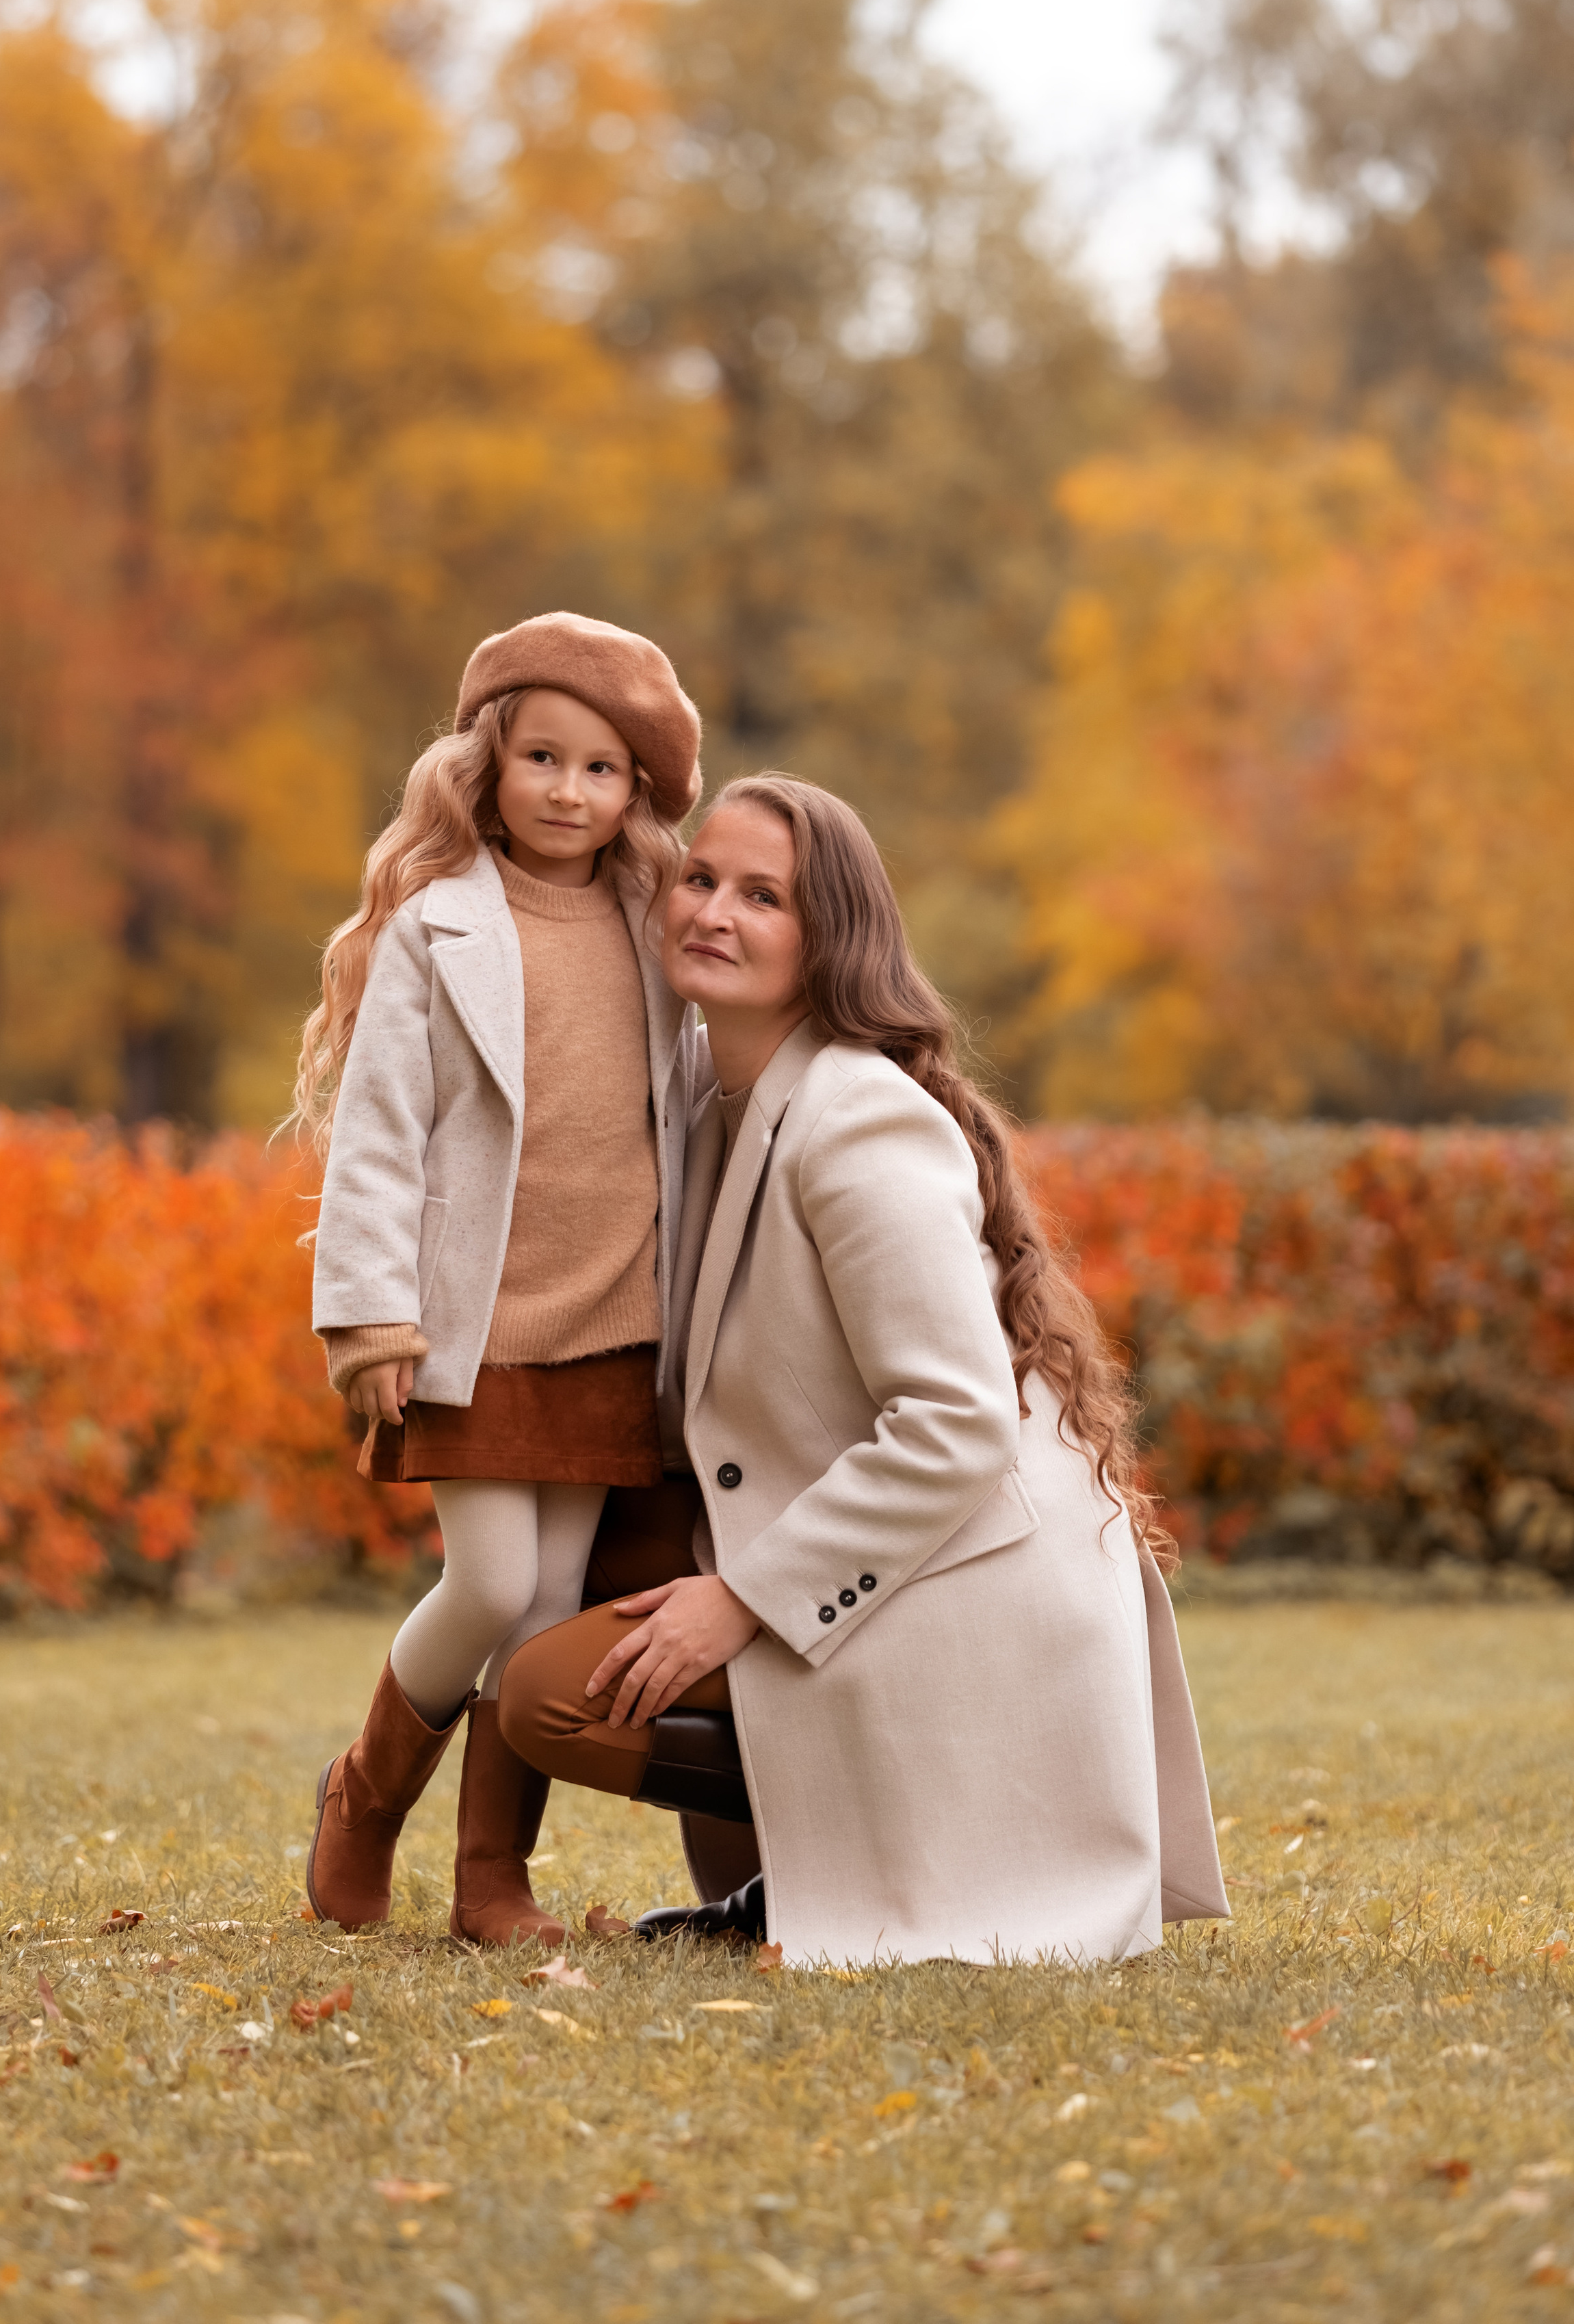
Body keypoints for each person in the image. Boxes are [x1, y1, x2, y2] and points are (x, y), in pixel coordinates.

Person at [500, 774, 1229, 1967]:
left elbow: (955, 1420)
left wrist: (739, 1600)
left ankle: (815, 1878)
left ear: (826, 939)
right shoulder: (702, 1095)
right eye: (701, 880)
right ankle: (776, 1872)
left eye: (763, 896)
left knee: (549, 1699)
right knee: (556, 1557)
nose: (715, 913)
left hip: (965, 1584)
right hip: (847, 1533)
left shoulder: (858, 1125)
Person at [295, 613, 706, 1946]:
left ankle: (491, 1887)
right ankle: (358, 1798)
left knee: (538, 1617)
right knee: (483, 1584)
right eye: (542, 756)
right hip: (471, 1324)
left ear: (634, 789)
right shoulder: (437, 927)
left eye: (598, 770)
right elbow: (376, 1132)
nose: (567, 791)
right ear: (488, 761)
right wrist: (368, 1313)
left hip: (611, 1324)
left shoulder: (658, 932)